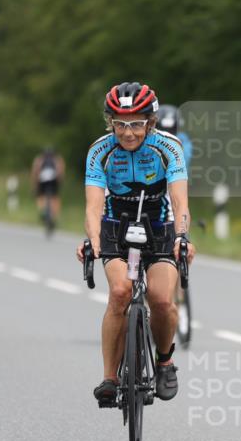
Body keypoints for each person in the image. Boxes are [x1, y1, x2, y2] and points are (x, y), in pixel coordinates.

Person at [75, 82, 196, 407]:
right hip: (117, 224)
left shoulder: (169, 147)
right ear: (110, 122)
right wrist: (94, 240)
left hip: (159, 223)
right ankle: (110, 379)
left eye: (137, 123)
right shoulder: (100, 151)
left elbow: (180, 200)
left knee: (161, 299)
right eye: (120, 123)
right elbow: (93, 206)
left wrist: (182, 236)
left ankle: (165, 361)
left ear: (151, 122)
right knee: (119, 293)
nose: (128, 132)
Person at [31, 146, 65, 233]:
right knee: (55, 197)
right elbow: (60, 170)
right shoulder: (57, 159)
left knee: (40, 195)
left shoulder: (39, 159)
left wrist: (35, 185)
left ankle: (42, 211)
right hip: (54, 179)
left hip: (42, 179)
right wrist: (60, 182)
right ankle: (54, 216)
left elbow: (35, 171)